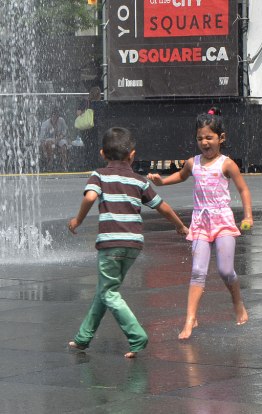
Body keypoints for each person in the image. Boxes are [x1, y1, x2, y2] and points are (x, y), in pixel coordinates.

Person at [67, 127, 189, 358]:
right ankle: (83, 337)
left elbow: (90, 197)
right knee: (105, 290)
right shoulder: (138, 181)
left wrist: (77, 220)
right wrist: (179, 225)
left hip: (111, 243)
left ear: (102, 153)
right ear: (132, 155)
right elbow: (161, 205)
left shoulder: (99, 174)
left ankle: (137, 336)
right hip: (133, 244)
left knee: (109, 292)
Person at [147, 107, 252, 340]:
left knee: (225, 271)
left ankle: (237, 302)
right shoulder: (192, 163)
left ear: (221, 139)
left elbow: (243, 190)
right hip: (201, 223)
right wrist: (162, 182)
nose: (204, 142)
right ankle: (190, 319)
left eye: (209, 138)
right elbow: (181, 176)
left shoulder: (227, 164)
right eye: (200, 138)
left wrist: (247, 216)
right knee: (197, 271)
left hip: (223, 220)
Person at [77, 86, 103, 169]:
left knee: (87, 146)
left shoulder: (85, 102)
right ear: (99, 95)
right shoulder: (100, 104)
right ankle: (94, 165)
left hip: (85, 128)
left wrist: (85, 112)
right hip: (95, 128)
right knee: (95, 146)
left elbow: (78, 113)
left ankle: (86, 164)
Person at [39, 106, 69, 170]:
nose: (55, 118)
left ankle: (64, 163)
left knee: (63, 144)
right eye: (54, 116)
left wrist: (60, 137)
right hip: (49, 140)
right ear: (51, 116)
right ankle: (50, 162)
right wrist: (44, 150)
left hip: (59, 139)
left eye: (57, 116)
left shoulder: (61, 120)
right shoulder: (45, 124)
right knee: (50, 143)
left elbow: (65, 131)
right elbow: (42, 139)